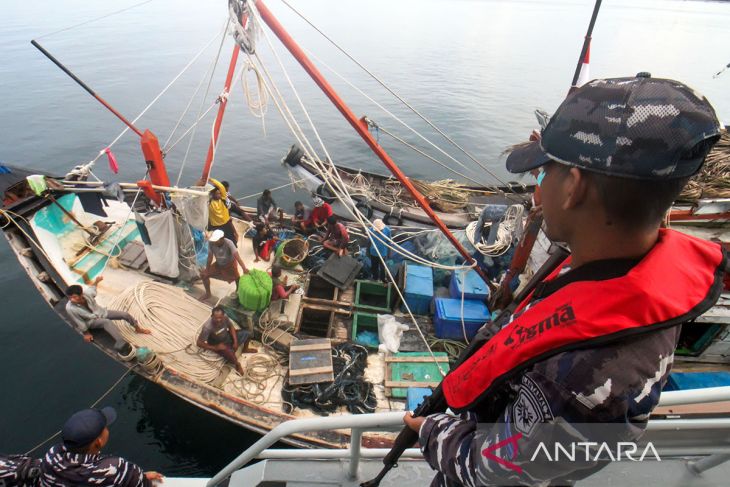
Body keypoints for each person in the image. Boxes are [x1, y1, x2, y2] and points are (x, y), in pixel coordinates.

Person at [403, 74, 727, 486]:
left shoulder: (582, 378)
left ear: (573, 188)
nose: (536, 191)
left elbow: (496, 470)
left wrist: (431, 431)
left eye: (543, 173)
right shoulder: (620, 267)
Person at [40, 406, 163, 486]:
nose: (107, 428)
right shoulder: (114, 468)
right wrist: (139, 477)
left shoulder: (51, 456)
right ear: (98, 442)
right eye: (105, 428)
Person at [65, 276, 151, 355]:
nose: (71, 300)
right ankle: (122, 343)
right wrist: (86, 333)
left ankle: (138, 329)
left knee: (124, 314)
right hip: (91, 321)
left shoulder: (87, 294)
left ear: (81, 294)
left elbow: (93, 289)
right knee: (106, 322)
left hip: (101, 312)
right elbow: (79, 321)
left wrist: (96, 281)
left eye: (74, 297)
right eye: (70, 297)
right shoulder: (70, 308)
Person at [196, 306, 256, 374]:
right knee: (230, 354)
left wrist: (235, 341)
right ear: (212, 316)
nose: (219, 320)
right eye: (216, 318)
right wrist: (215, 347)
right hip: (218, 344)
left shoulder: (225, 317)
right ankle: (237, 364)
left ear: (223, 315)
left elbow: (231, 327)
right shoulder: (207, 327)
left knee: (248, 333)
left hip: (227, 337)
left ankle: (245, 349)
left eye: (220, 317)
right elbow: (199, 343)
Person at [200, 229, 249, 301]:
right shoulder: (211, 243)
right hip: (219, 264)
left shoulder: (229, 243)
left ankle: (237, 292)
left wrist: (244, 268)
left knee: (237, 279)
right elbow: (210, 257)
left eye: (217, 240)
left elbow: (237, 257)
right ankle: (208, 293)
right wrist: (207, 270)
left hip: (230, 264)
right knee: (203, 275)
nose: (215, 242)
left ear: (222, 238)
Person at [208, 178, 238, 245]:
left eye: (219, 193)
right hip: (215, 226)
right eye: (216, 194)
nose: (219, 195)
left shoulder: (223, 199)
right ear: (212, 194)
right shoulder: (209, 202)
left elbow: (221, 186)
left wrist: (210, 179)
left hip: (225, 224)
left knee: (232, 241)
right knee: (218, 243)